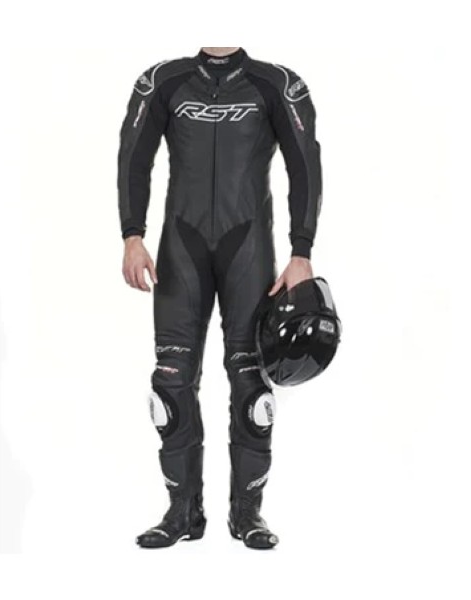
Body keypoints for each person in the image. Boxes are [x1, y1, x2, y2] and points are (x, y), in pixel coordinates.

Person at [117, 47, 322, 549]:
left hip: (248, 250)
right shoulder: (163, 80)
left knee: (251, 388)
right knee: (171, 385)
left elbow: (305, 164)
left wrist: (301, 251)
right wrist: (131, 234)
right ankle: (183, 511)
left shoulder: (275, 83)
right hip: (180, 249)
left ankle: (247, 513)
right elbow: (133, 156)